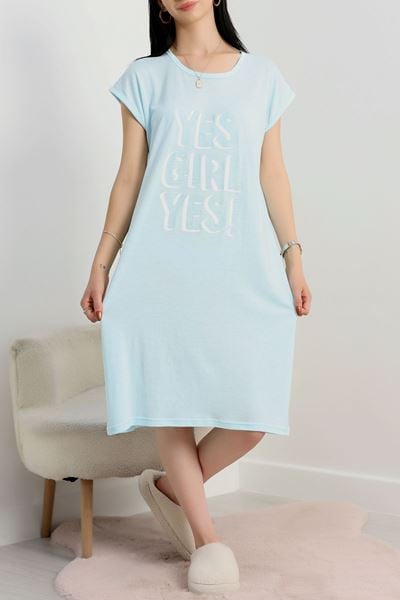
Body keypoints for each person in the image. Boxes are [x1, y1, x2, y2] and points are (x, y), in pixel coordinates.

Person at [80, 0, 311, 593]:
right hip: (158, 270)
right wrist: (102, 263)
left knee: (253, 413)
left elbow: (273, 173)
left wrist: (293, 256)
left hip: (240, 268)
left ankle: (168, 490)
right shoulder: (145, 78)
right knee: (170, 402)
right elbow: (129, 176)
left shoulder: (262, 77)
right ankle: (207, 540)